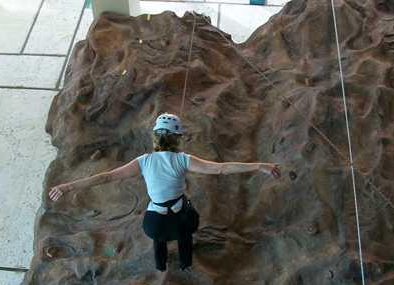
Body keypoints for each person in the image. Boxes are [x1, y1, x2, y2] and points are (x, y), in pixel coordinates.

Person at [49, 112, 282, 272]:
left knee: (158, 241)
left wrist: (67, 187)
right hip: (181, 220)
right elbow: (220, 169)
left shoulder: (144, 161)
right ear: (177, 138)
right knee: (185, 236)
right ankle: (185, 265)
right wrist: (258, 165)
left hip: (156, 222)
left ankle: (161, 267)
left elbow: (106, 177)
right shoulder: (183, 159)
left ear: (155, 137)